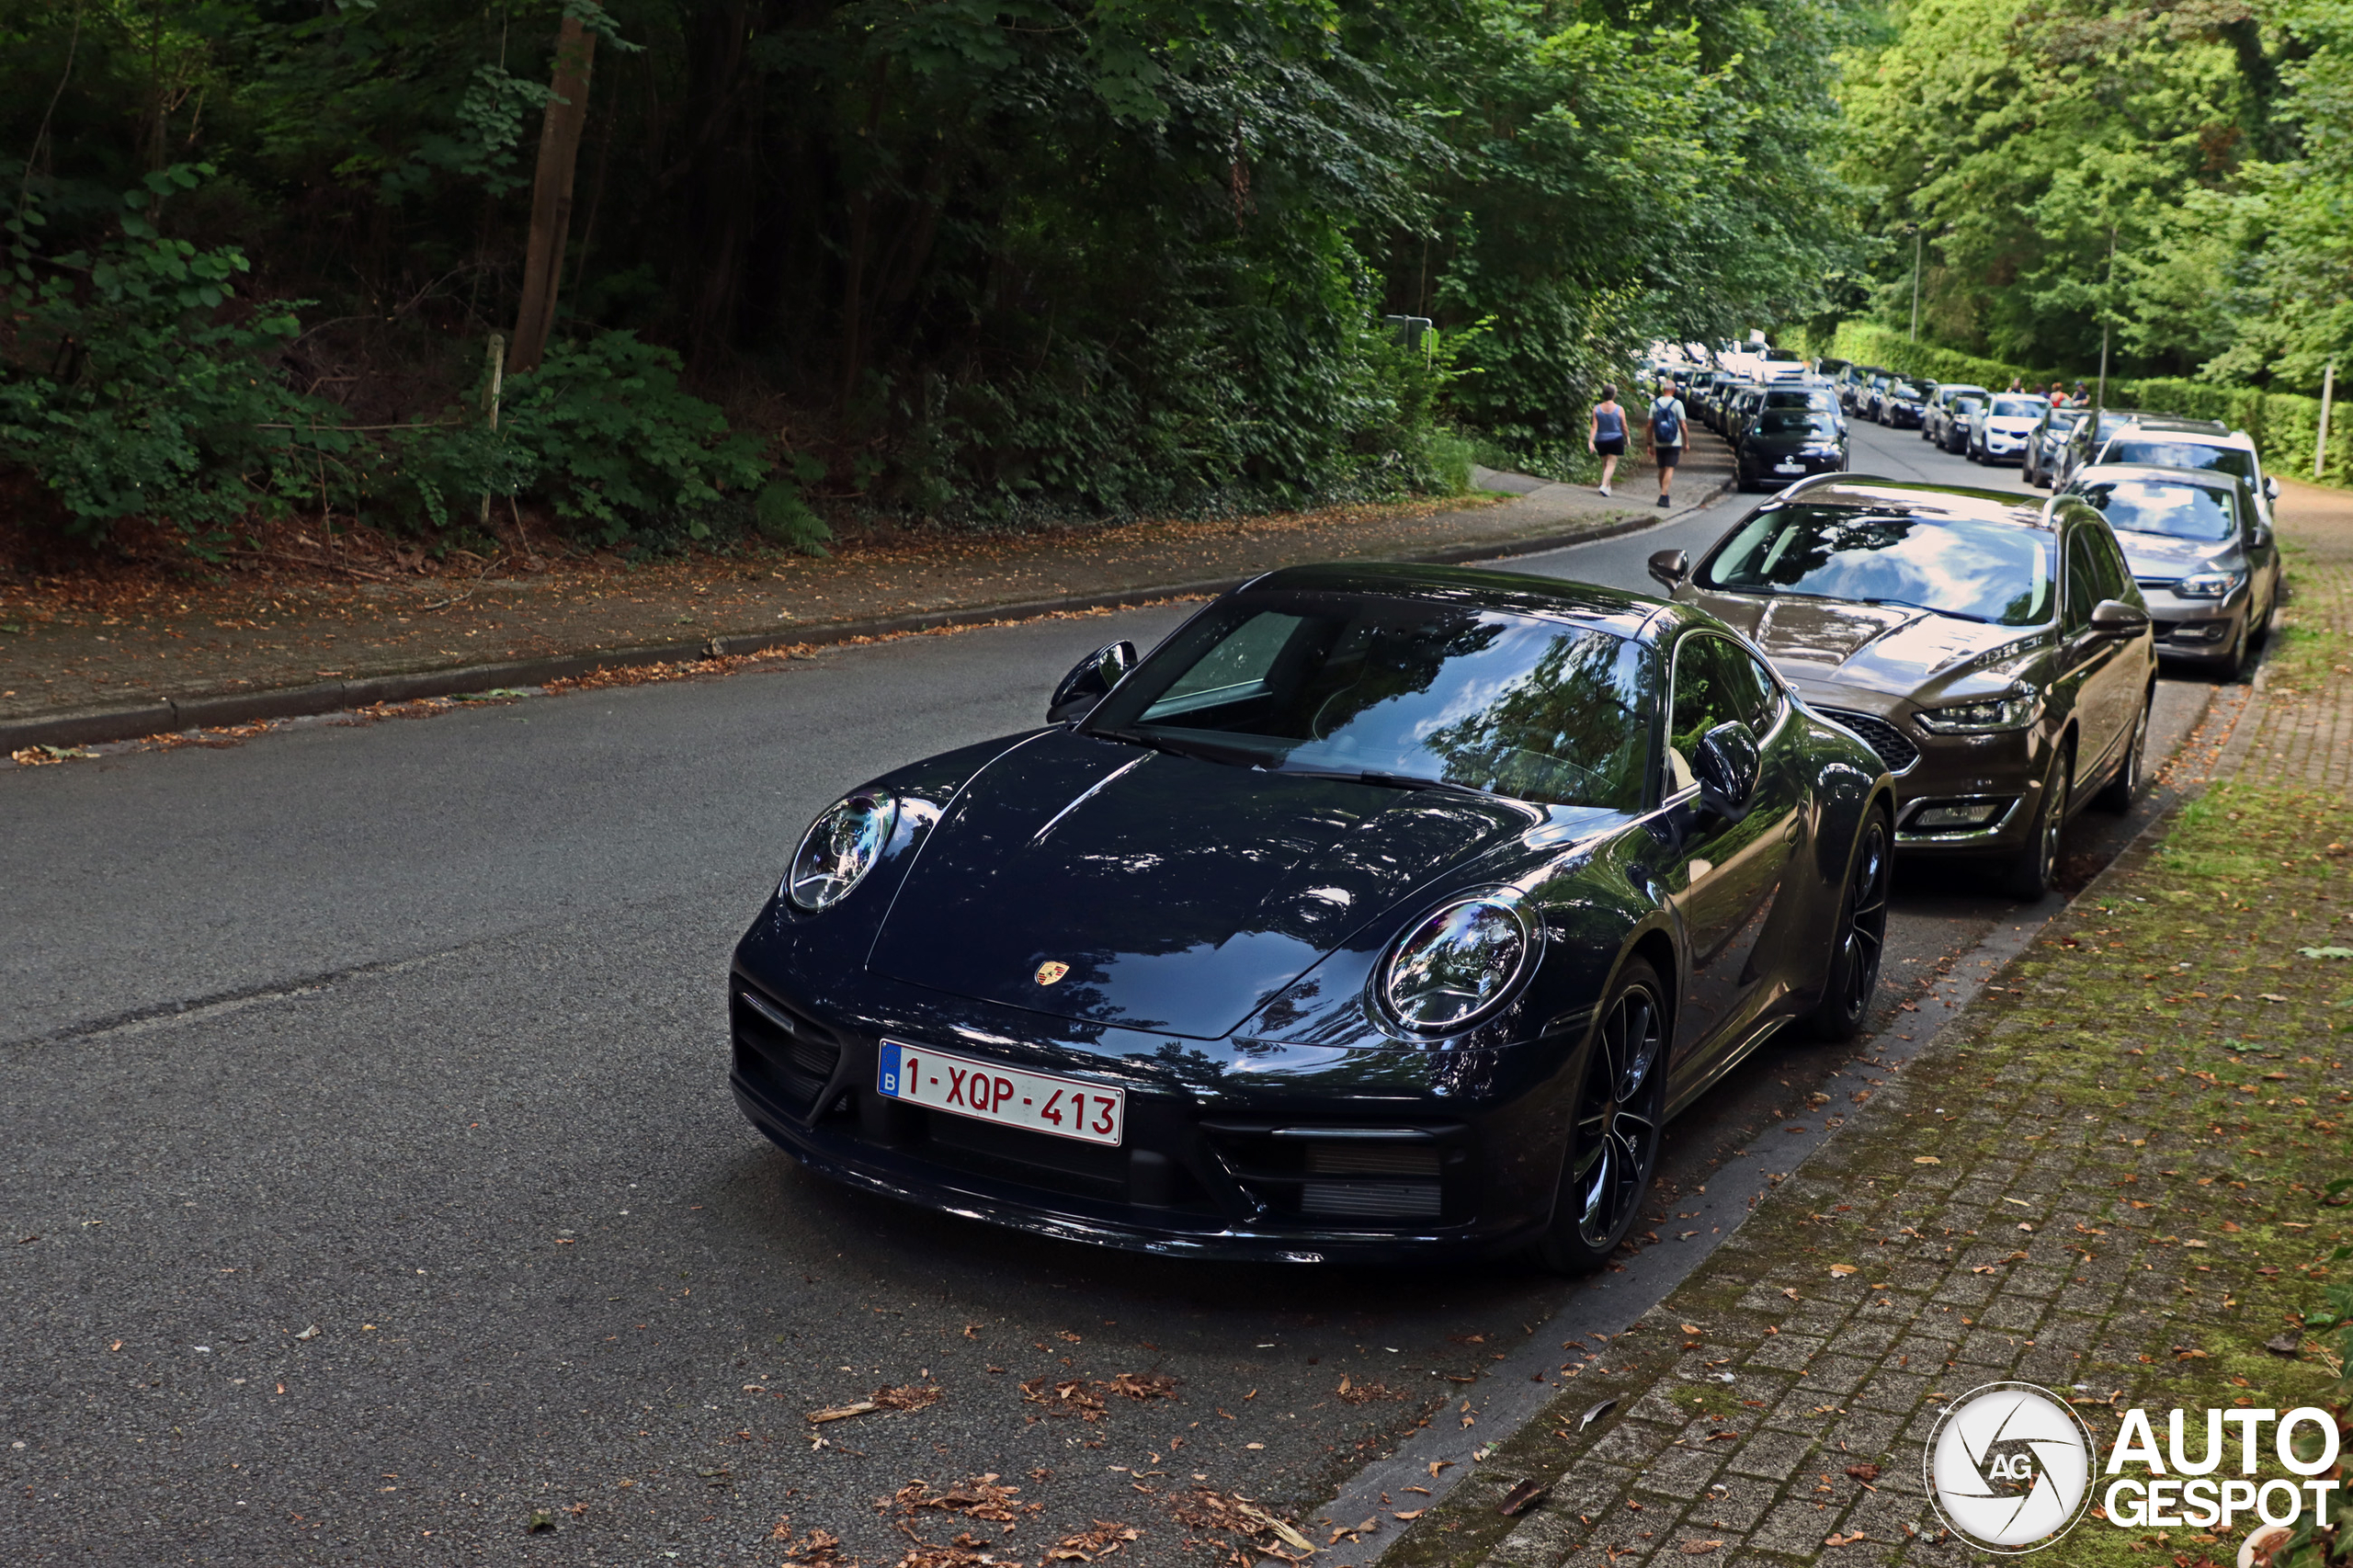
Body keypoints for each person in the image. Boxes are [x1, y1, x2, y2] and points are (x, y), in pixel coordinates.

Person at [1646, 381, 1688, 508]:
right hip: (1674, 441)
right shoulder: (1677, 404)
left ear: (1663, 390)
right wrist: (1686, 442)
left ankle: (1664, 492)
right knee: (1670, 468)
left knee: (1661, 468)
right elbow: (1683, 425)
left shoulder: (1655, 404)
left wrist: (1649, 443)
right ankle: (1664, 495)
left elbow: (1649, 425)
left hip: (1659, 441)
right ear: (1674, 390)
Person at [1588, 385, 1628, 495]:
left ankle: (1607, 487)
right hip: (1615, 439)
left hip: (1601, 439)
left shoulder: (1597, 408)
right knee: (1611, 464)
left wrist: (1591, 441)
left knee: (1605, 463)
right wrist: (1627, 437)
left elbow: (1594, 427)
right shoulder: (1619, 409)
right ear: (1614, 394)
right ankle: (1604, 485)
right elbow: (1624, 426)